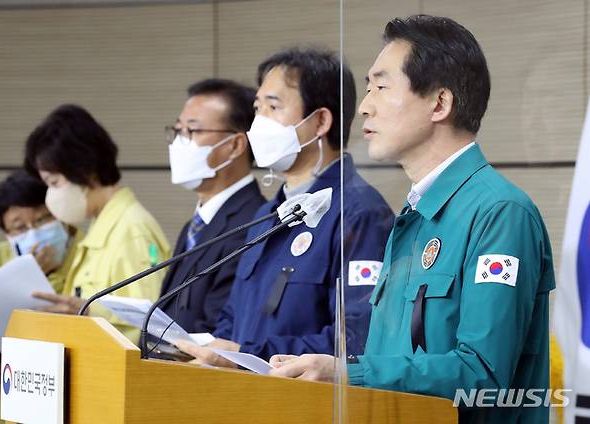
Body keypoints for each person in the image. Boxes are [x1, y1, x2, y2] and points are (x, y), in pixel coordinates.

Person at [268, 15, 555, 424]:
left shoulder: (500, 213)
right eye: (368, 89)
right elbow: (394, 356)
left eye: (382, 88)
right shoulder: (412, 216)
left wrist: (349, 373)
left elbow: (484, 377)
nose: (365, 106)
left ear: (440, 103)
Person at [176, 47, 394, 364]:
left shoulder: (359, 212)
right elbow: (232, 318)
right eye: (257, 108)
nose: (258, 123)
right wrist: (217, 352)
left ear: (320, 121)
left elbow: (357, 339)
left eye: (273, 107)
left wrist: (250, 356)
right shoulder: (267, 215)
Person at [24, 104, 171, 343]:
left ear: (85, 170)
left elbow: (153, 327)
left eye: (55, 183)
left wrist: (89, 312)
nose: (51, 196)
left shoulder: (132, 229)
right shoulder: (101, 227)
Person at [0, 169, 81, 424]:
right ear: (7, 234)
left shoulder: (87, 249)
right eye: (20, 227)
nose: (34, 232)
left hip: (69, 394)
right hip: (11, 394)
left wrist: (42, 277)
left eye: (43, 220)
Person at [159, 78, 265, 334]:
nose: (179, 143)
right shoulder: (195, 225)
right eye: (177, 131)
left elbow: (219, 328)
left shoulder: (253, 223)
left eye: (192, 132)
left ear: (235, 145)